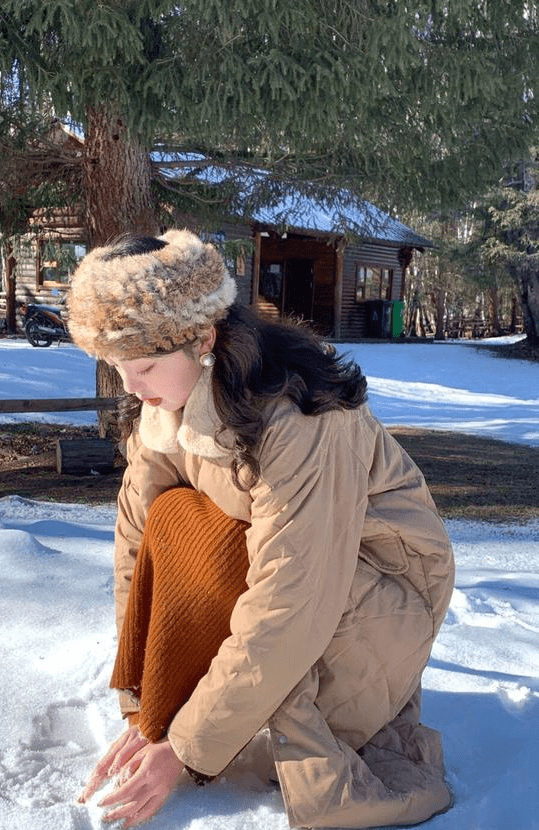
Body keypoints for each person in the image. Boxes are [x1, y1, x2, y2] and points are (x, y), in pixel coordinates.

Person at [67, 229, 455, 829]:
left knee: (237, 564)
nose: (129, 387)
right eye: (115, 366)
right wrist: (146, 702)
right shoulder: (168, 403)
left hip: (377, 598)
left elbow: (292, 599)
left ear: (204, 338)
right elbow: (137, 544)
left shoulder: (301, 420)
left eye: (141, 366)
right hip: (304, 583)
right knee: (177, 517)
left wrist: (188, 747)